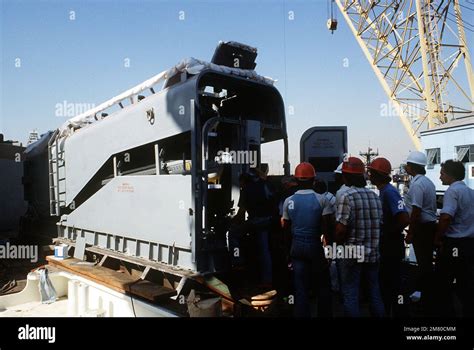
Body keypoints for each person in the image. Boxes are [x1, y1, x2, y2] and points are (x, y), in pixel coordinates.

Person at [281, 162, 334, 317]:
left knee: (300, 288)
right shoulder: (322, 200)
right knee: (323, 286)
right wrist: (329, 251)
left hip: (296, 247)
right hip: (314, 247)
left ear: (296, 181)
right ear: (314, 180)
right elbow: (327, 229)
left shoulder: (288, 201)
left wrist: (287, 253)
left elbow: (286, 230)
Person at [335, 157, 385, 317]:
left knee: (350, 294)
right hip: (373, 253)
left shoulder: (346, 196)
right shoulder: (375, 196)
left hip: (352, 253)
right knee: (374, 292)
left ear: (346, 176)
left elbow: (341, 230)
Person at [368, 157, 409, 317]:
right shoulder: (385, 191)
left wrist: (387, 232)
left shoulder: (389, 193)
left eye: (371, 172)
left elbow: (404, 218)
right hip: (390, 243)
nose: (369, 175)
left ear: (378, 175)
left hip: (391, 245)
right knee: (390, 283)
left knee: (392, 283)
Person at [434, 160, 474, 317]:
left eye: (442, 173)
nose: (440, 176)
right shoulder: (471, 192)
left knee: (443, 282)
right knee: (466, 284)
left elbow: (445, 218)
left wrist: (437, 238)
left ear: (450, 175)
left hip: (454, 244)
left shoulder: (452, 192)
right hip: (469, 245)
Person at [229, 167, 278, 288]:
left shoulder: (246, 189)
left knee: (233, 233)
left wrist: (232, 221)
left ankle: (238, 262)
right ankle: (267, 280)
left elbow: (241, 214)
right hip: (270, 221)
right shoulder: (266, 185)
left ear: (244, 181)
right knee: (264, 249)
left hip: (256, 221)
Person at [403, 151, 437, 315]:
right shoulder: (428, 182)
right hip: (429, 227)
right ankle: (428, 295)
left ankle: (425, 297)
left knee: (423, 264)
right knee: (426, 262)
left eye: (407, 165)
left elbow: (416, 211)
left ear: (411, 167)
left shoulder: (416, 185)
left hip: (421, 229)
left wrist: (410, 232)